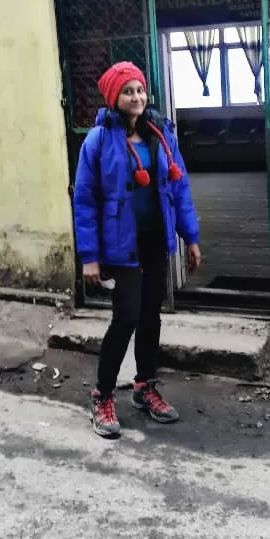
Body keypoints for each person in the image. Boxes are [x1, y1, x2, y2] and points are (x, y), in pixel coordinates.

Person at [73, 61, 201, 439]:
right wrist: (90, 257)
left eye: (140, 90)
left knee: (150, 318)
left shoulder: (161, 136)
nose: (137, 97)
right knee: (126, 317)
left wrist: (190, 237)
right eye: (128, 91)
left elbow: (179, 189)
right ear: (114, 97)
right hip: (120, 246)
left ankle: (145, 387)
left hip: (154, 240)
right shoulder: (98, 140)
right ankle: (103, 395)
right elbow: (85, 200)